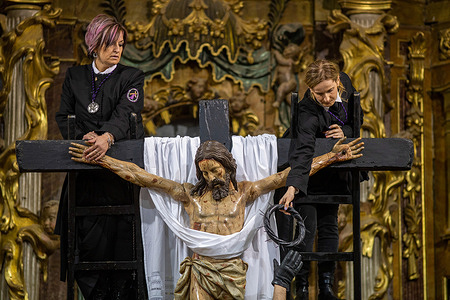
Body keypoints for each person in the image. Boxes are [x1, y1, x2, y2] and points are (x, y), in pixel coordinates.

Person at [69, 137, 363, 299]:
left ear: (228, 166)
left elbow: (287, 176)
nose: (211, 178)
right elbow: (142, 176)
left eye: (216, 170)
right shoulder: (189, 195)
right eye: (205, 173)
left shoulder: (248, 192)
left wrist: (331, 158)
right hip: (201, 270)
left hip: (234, 271)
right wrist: (103, 159)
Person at [54, 14, 145, 300]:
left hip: (119, 181)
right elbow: (63, 116)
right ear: (94, 45)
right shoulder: (74, 77)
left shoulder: (131, 77)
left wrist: (106, 137)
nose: (117, 50)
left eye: (120, 44)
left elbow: (126, 115)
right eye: (110, 44)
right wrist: (86, 139)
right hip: (85, 181)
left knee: (122, 254)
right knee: (86, 255)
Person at [279, 59, 365, 300]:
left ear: (338, 82)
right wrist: (293, 185)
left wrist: (345, 132)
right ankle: (303, 285)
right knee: (307, 227)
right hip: (310, 171)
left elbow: (358, 121)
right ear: (310, 90)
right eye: (320, 93)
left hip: (335, 170)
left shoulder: (347, 85)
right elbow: (304, 149)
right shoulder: (307, 110)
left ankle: (326, 286)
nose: (327, 98)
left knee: (329, 224)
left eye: (330, 91)